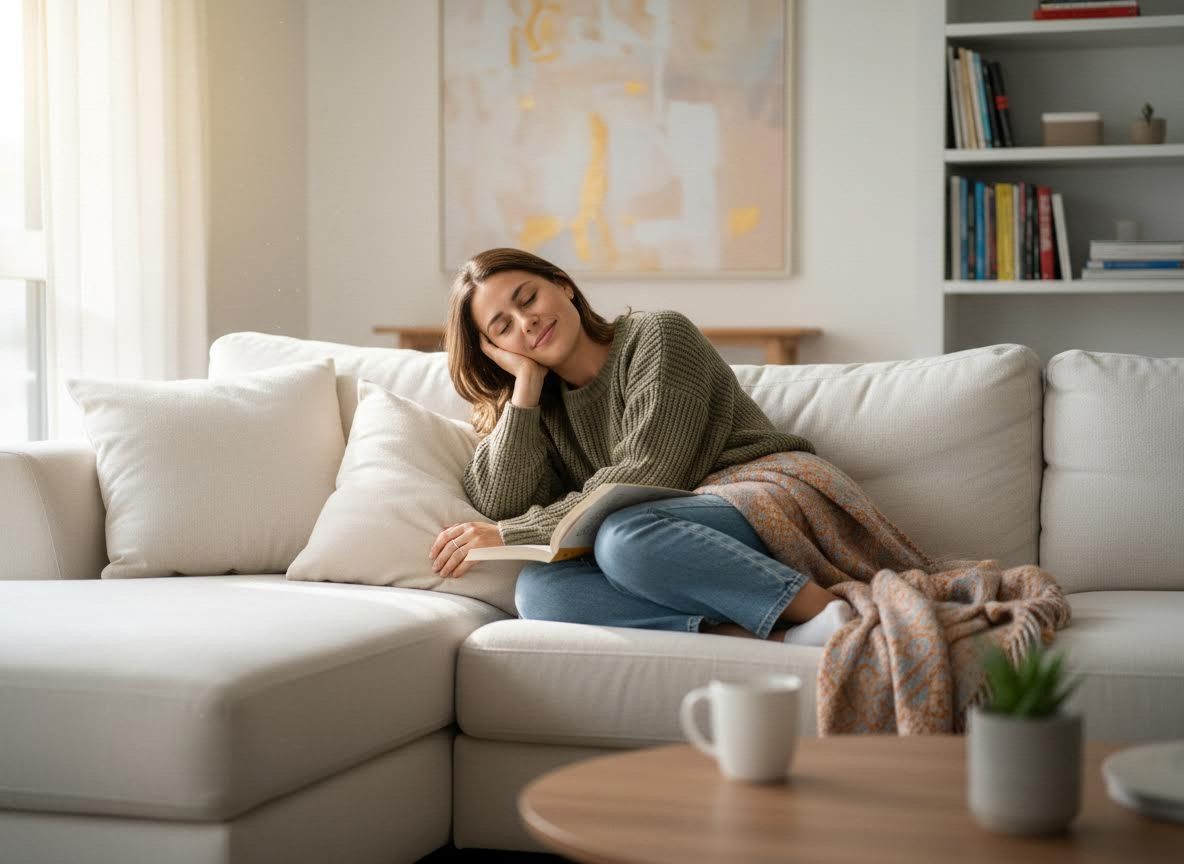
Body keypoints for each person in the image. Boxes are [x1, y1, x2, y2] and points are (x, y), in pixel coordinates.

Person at [429, 248, 853, 646]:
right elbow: (499, 502)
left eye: (528, 299)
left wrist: (512, 534)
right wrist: (525, 388)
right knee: (539, 590)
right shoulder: (540, 405)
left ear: (563, 285)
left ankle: (831, 611)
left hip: (760, 493)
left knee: (622, 538)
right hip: (667, 535)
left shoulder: (659, 334)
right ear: (495, 350)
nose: (527, 322)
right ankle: (773, 637)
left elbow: (649, 472)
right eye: (503, 327)